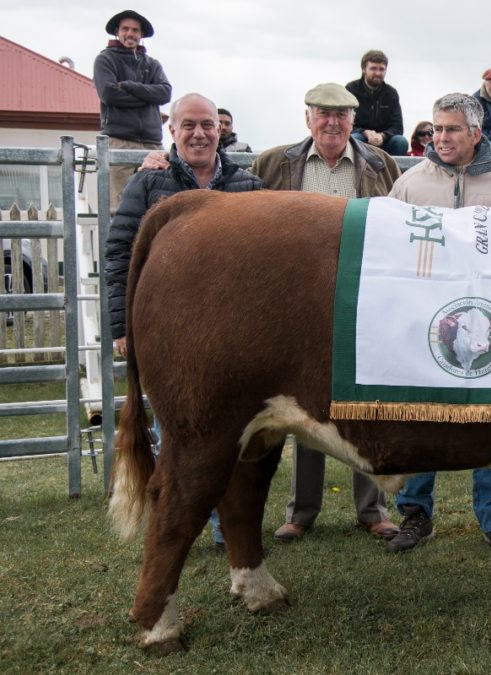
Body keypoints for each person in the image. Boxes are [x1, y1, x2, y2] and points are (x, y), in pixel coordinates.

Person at [105, 93, 261, 551]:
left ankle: (221, 526)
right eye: (188, 125)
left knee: (230, 429)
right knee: (177, 430)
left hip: (234, 333)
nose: (199, 133)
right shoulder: (148, 183)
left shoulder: (247, 185)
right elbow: (119, 256)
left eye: (208, 124)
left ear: (221, 130)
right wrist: (122, 326)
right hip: (170, 332)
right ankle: (176, 518)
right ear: (172, 131)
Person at [251, 83, 401, 542]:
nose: (332, 122)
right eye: (323, 114)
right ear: (308, 118)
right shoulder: (274, 164)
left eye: (341, 115)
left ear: (353, 122)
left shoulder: (381, 164)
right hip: (298, 302)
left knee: (367, 400)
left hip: (364, 295)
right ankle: (302, 511)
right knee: (304, 403)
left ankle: (372, 510)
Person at [385, 93, 491, 554]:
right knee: (421, 413)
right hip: (425, 319)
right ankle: (414, 513)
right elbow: (389, 248)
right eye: (436, 129)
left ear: (475, 133)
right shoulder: (409, 183)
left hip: (488, 316)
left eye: (451, 130)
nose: (440, 138)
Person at [93, 9, 171, 214]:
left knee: (158, 201)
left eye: (135, 30)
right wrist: (147, 98)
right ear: (117, 32)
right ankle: (119, 246)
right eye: (126, 29)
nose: (131, 34)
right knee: (118, 205)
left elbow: (164, 93)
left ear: (141, 35)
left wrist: (128, 85)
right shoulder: (105, 59)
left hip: (152, 141)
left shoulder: (152, 64)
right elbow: (109, 94)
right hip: (119, 140)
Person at [345, 49, 408, 156]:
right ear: (364, 69)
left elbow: (397, 127)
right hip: (361, 138)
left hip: (385, 140)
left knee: (401, 142)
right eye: (373, 68)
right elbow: (345, 121)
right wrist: (365, 132)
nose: (378, 73)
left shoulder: (391, 93)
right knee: (354, 138)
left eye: (382, 69)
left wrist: (382, 136)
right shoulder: (351, 89)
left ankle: (395, 171)